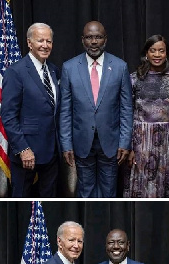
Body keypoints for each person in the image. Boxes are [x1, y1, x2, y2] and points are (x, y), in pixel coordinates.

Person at [59, 21, 133, 198]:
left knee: (109, 192)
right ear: (82, 40)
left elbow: (126, 108)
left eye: (98, 37)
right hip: (82, 142)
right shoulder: (69, 68)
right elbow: (65, 110)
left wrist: (124, 142)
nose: (94, 42)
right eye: (89, 37)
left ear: (105, 39)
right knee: (86, 192)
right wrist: (66, 144)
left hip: (111, 143)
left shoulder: (120, 66)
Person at [123, 35, 169, 198]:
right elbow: (127, 114)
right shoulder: (133, 79)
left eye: (161, 50)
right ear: (146, 53)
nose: (157, 55)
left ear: (167, 53)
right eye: (153, 50)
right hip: (141, 142)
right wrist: (129, 147)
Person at [1, 22, 60, 197]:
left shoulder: (54, 70)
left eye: (48, 41)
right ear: (29, 43)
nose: (45, 45)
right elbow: (8, 115)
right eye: (40, 40)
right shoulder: (16, 72)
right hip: (26, 153)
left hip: (52, 151)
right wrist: (22, 149)